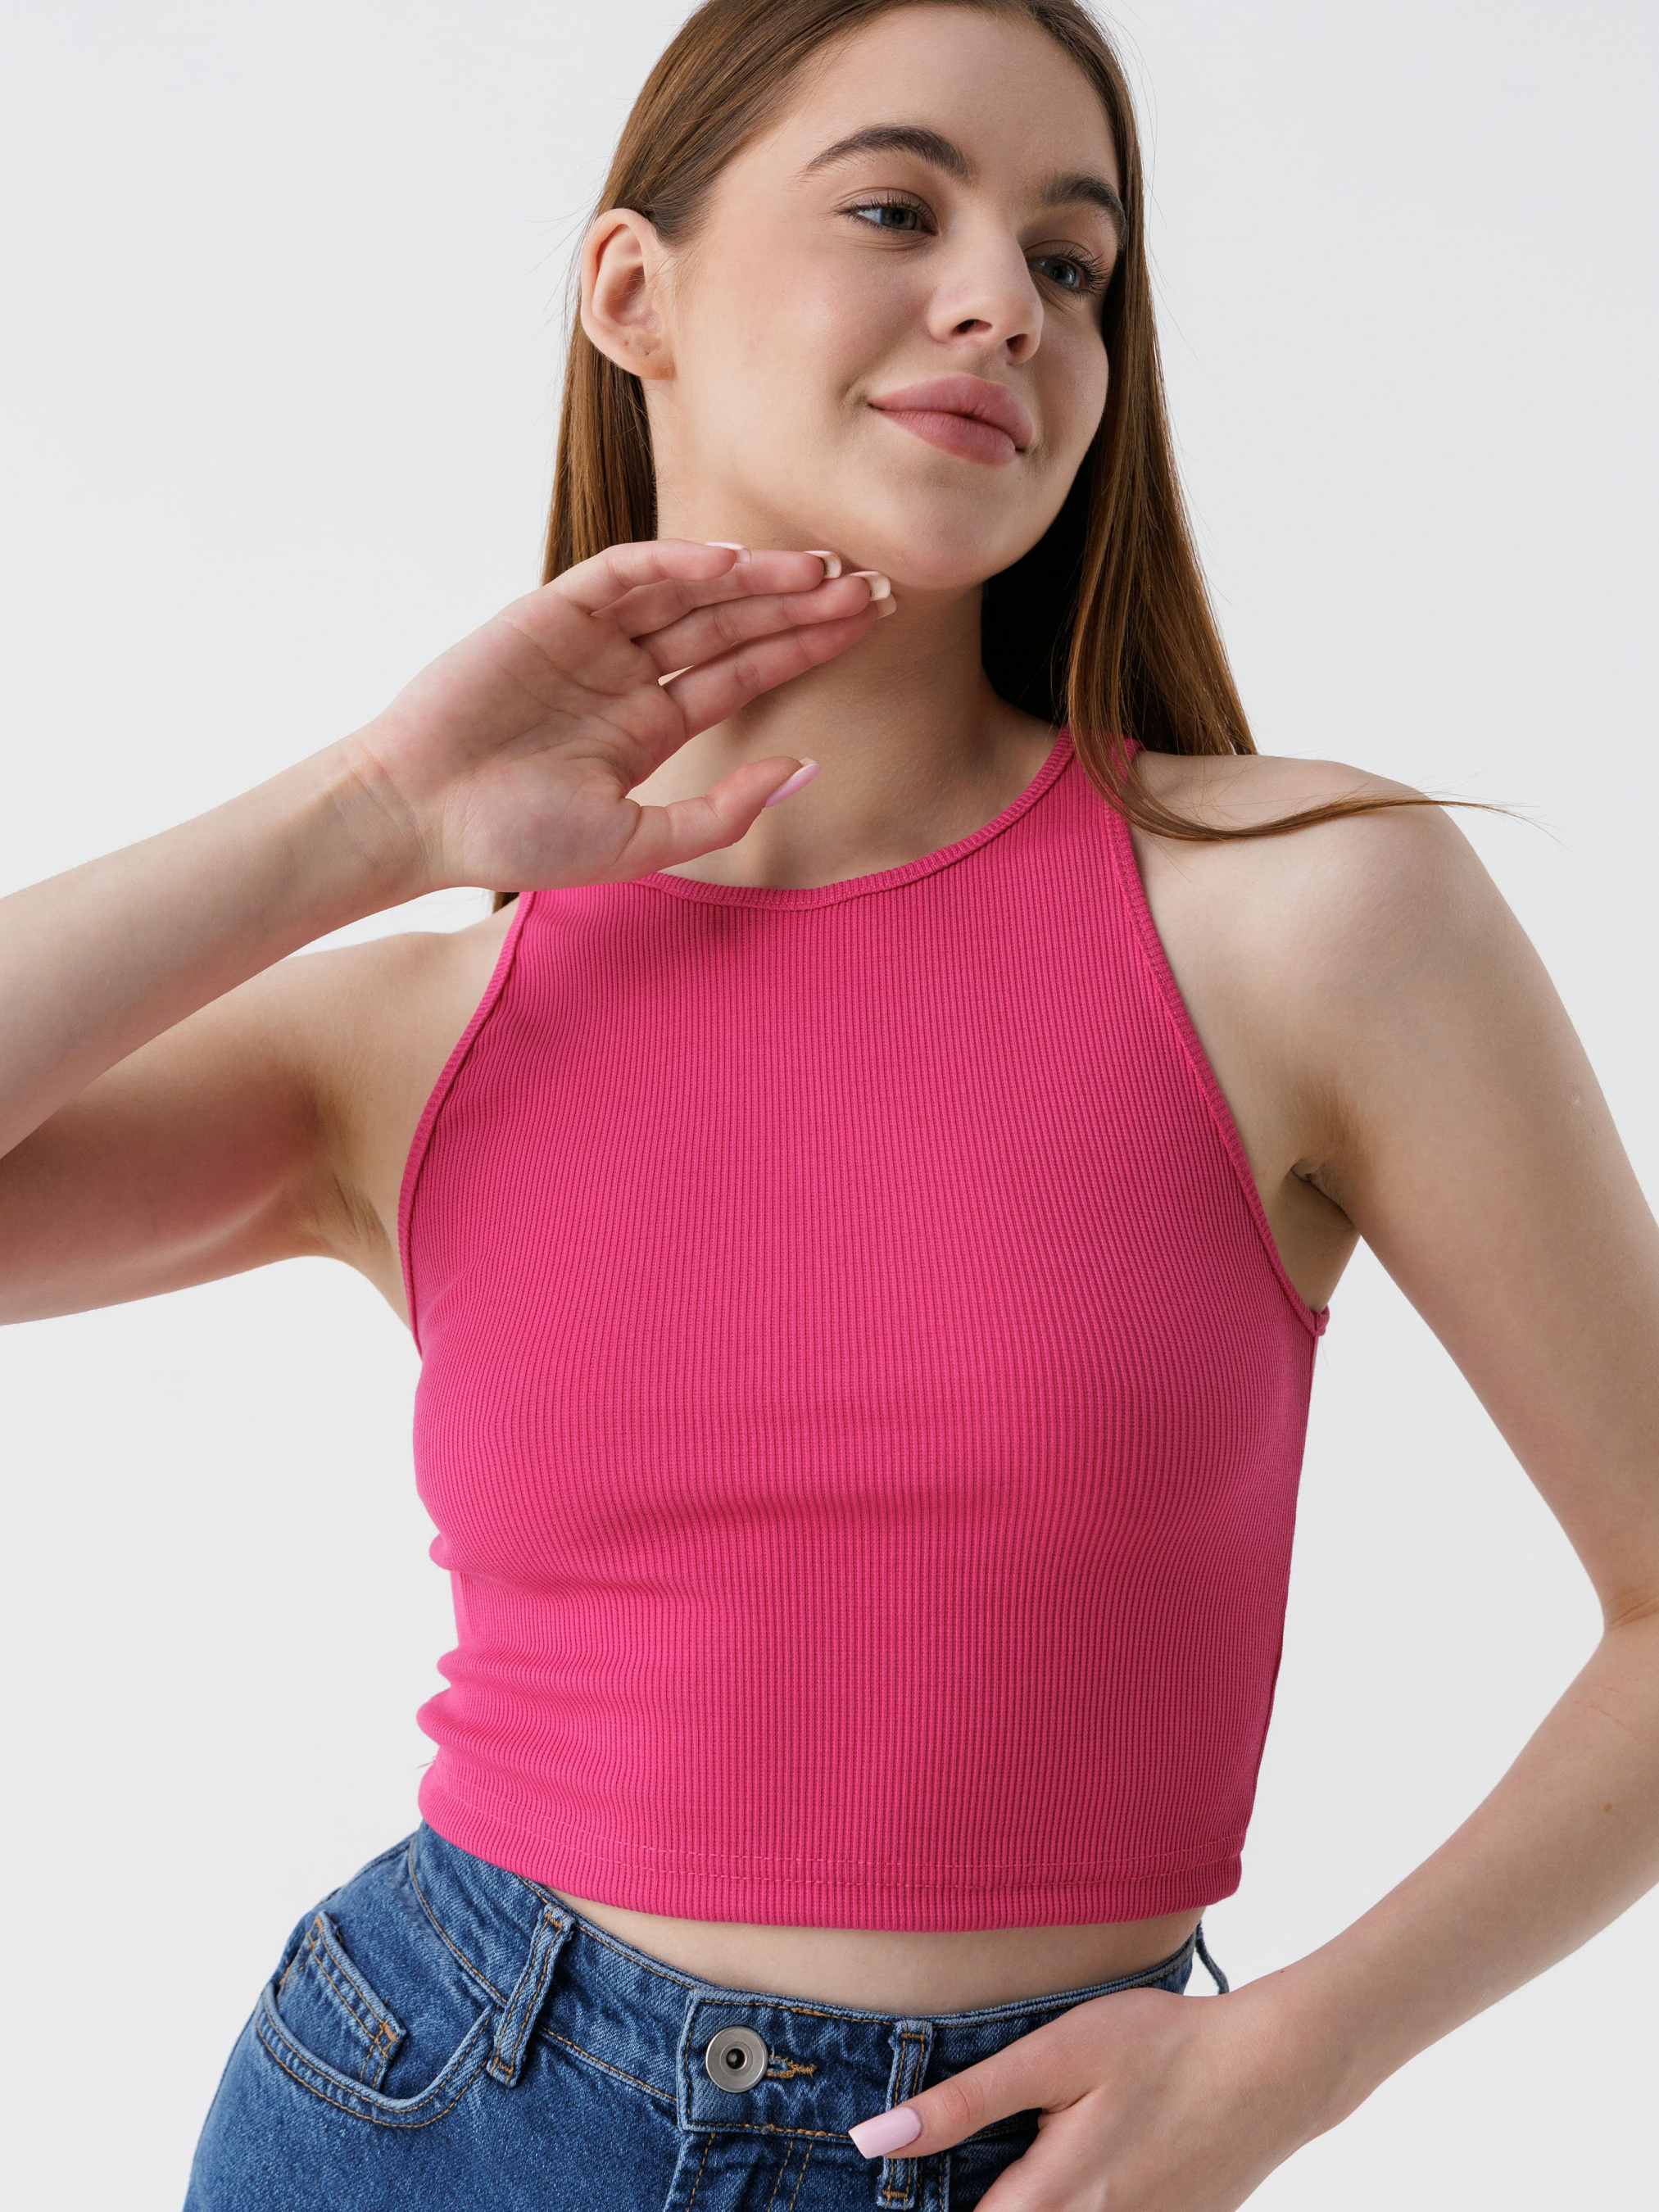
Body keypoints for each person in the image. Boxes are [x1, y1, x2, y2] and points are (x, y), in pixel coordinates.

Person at [4, 1, 1657, 2206]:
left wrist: (1300, 2052)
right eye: (897, 208)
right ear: (634, 293)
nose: (1006, 304)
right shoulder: (416, 1033)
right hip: (429, 2113)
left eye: (1070, 262)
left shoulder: (1304, 916)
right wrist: (370, 814)